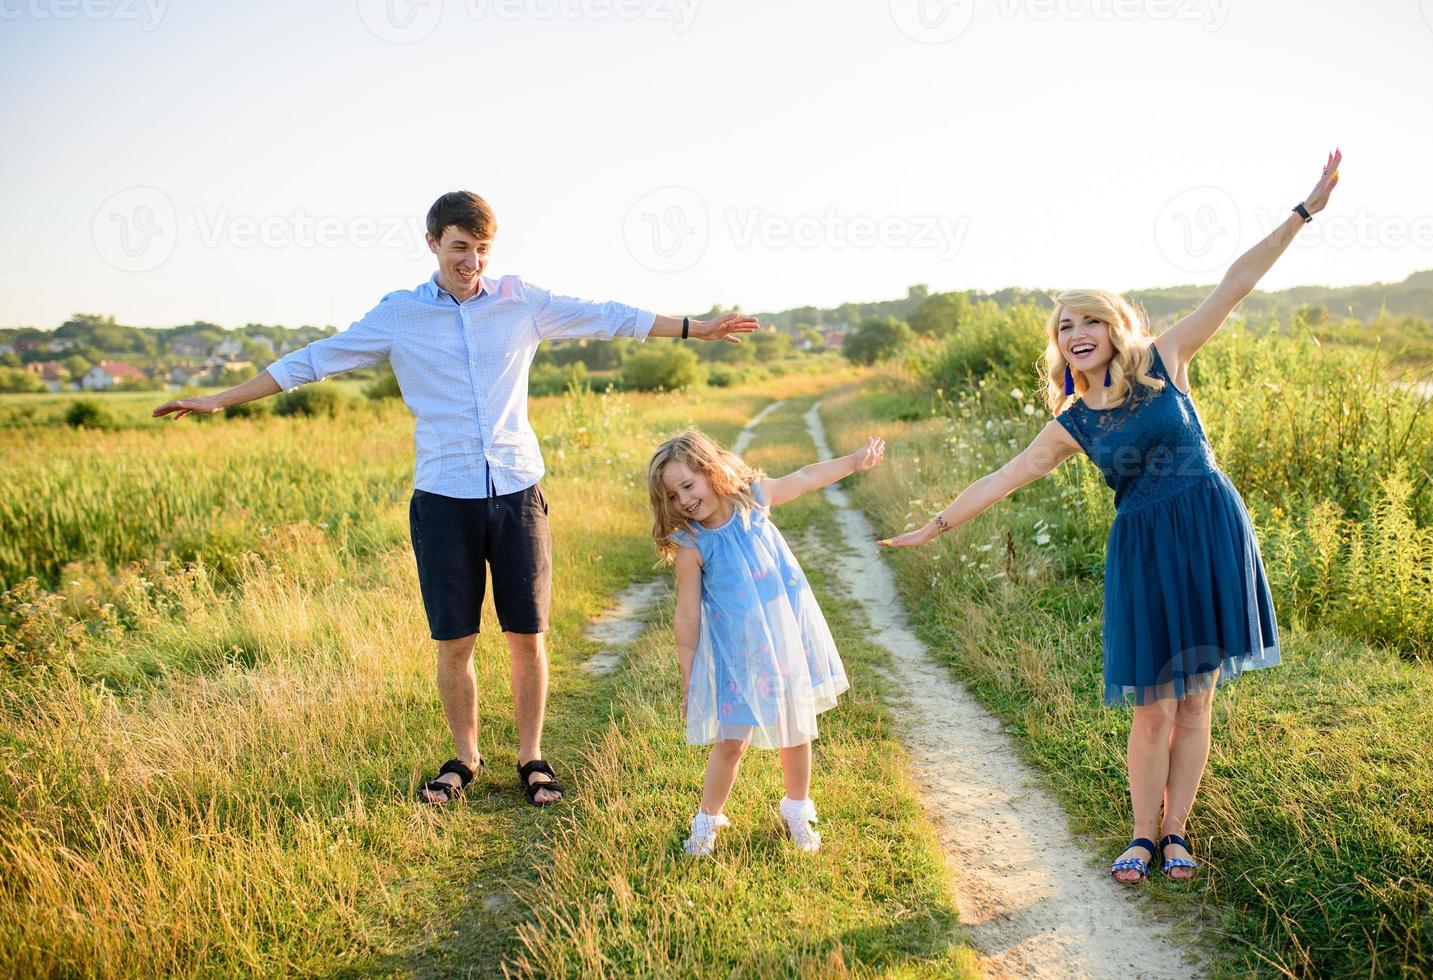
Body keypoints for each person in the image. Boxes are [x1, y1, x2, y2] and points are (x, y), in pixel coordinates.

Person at [153, 190, 758, 808]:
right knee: (456, 639)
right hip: (444, 496)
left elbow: (608, 315)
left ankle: (532, 758)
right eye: (460, 248)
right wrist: (217, 400)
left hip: (518, 491)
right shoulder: (399, 314)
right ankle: (464, 760)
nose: (472, 261)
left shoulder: (521, 302)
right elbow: (311, 362)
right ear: (434, 243)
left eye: (482, 249)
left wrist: (695, 329)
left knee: (528, 634)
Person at [881, 150, 1343, 882]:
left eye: (1091, 318)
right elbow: (1004, 477)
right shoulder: (1073, 423)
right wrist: (934, 525)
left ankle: (1180, 832)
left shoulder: (1166, 360)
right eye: (1066, 326)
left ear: (1116, 326)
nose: (1078, 332)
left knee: (1196, 701)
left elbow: (1238, 281)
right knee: (1151, 708)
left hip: (1210, 532)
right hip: (1146, 552)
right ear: (1060, 345)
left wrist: (1305, 210)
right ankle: (1141, 834)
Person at [648, 428, 885, 855]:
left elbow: (806, 475)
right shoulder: (693, 546)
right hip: (740, 657)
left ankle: (796, 808)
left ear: (711, 471)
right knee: (731, 742)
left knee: (796, 731)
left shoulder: (752, 500)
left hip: (785, 640)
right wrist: (690, 680)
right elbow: (686, 618)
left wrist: (853, 462)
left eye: (688, 485)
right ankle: (706, 820)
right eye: (672, 495)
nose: (683, 500)